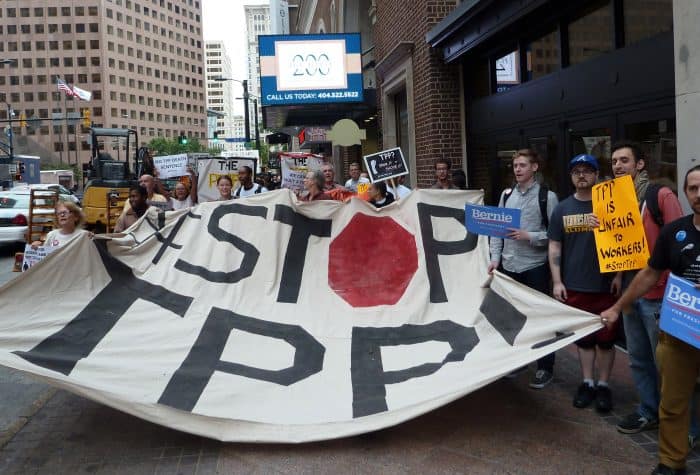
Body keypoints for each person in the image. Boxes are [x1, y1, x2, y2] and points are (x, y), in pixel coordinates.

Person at [601, 165, 700, 475]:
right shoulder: (674, 232)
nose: (699, 194)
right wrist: (618, 307)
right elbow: (649, 274)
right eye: (693, 188)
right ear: (685, 193)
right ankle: (671, 462)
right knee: (672, 401)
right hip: (681, 330)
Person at [606, 142, 685, 437]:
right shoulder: (613, 201)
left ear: (639, 165)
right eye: (614, 161)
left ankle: (684, 425)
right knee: (638, 358)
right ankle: (649, 411)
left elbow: (681, 244)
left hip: (659, 294)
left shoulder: (659, 196)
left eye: (624, 160)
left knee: (668, 364)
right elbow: (617, 245)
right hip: (630, 292)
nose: (617, 166)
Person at [548, 154, 618, 412]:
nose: (581, 175)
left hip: (606, 284)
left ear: (597, 175)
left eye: (587, 170)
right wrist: (557, 281)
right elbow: (554, 245)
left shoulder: (610, 206)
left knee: (607, 340)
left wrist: (619, 276)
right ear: (571, 176)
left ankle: (604, 385)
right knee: (585, 340)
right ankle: (587, 382)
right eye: (576, 171)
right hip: (575, 284)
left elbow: (622, 240)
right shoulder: (562, 209)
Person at [488, 149, 559, 388]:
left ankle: (545, 367)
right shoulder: (506, 195)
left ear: (534, 168)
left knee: (540, 318)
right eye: (515, 165)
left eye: (522, 165)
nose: (517, 169)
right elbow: (497, 230)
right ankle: (519, 360)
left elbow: (555, 236)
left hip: (535, 266)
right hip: (509, 265)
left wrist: (530, 236)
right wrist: (495, 258)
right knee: (512, 317)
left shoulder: (547, 197)